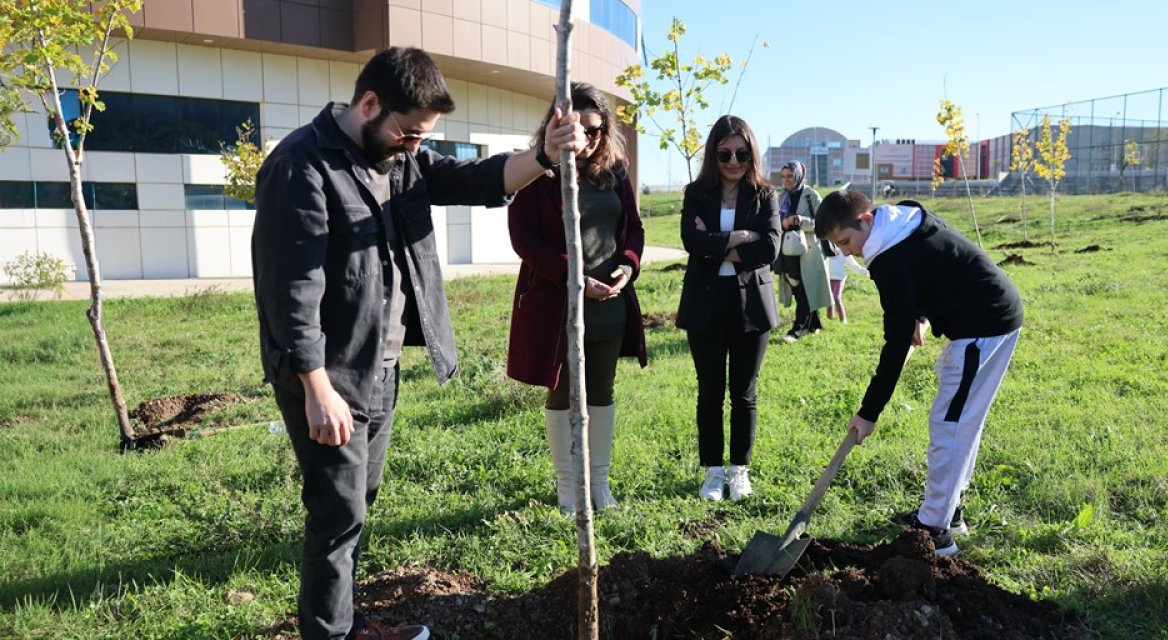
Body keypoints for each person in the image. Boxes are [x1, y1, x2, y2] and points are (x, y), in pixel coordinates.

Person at [251, 47, 585, 640]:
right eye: (408, 133)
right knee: (337, 514)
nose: (413, 146)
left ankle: (348, 625)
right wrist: (316, 387)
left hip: (379, 367)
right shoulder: (302, 167)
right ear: (369, 104)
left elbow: (476, 179)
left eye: (421, 138)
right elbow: (290, 290)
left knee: (358, 503)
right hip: (329, 375)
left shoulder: (399, 159)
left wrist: (544, 155)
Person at [814, 190, 1023, 556]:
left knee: (950, 425)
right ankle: (948, 512)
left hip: (982, 326)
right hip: (993, 313)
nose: (846, 253)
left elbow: (895, 345)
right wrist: (919, 314)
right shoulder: (904, 218)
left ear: (866, 219)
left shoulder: (890, 259)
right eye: (838, 246)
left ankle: (936, 531)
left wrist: (868, 413)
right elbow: (932, 266)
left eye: (845, 241)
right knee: (960, 422)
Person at [506, 82, 647, 514]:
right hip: (559, 304)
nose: (585, 137)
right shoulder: (537, 170)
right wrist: (574, 277)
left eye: (595, 129)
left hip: (609, 303)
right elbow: (524, 239)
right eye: (575, 126)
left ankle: (598, 483)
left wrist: (628, 266)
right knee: (563, 394)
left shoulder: (615, 171)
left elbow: (633, 229)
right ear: (555, 124)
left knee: (601, 391)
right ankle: (568, 486)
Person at [675, 115, 780, 502]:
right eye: (724, 154)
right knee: (709, 392)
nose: (733, 161)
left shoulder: (765, 194)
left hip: (751, 305)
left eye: (741, 153)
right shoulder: (696, 193)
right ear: (713, 155)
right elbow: (691, 240)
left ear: (752, 154)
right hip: (705, 303)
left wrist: (716, 244)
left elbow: (769, 247)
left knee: (744, 392)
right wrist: (740, 237)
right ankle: (713, 472)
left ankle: (739, 471)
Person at [775, 161, 831, 343]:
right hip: (787, 249)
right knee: (796, 286)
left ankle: (798, 330)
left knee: (805, 288)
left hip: (808, 250)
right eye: (783, 177)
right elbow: (774, 221)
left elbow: (824, 223)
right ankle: (814, 323)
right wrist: (783, 223)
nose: (786, 180)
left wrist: (801, 221)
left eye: (790, 176)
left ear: (799, 176)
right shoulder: (781, 197)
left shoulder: (811, 195)